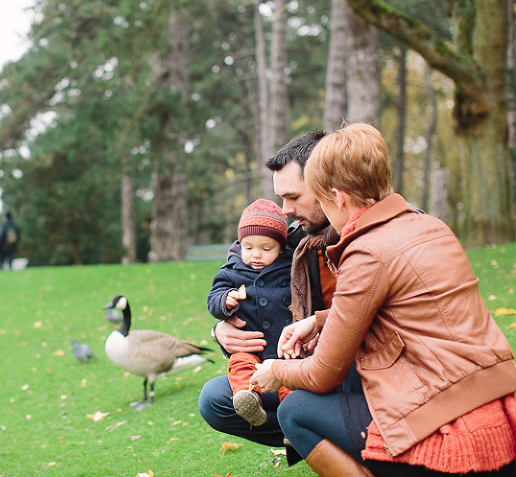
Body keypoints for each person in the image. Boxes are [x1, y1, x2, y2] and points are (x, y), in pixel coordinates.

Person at [250, 122, 516, 475]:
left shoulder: (366, 252)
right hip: (500, 406)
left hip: (449, 428)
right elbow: (413, 306)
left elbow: (322, 374)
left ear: (338, 198)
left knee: (295, 411)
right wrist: (319, 320)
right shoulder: (430, 226)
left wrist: (276, 370)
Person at [198, 129, 337, 457]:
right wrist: (222, 328)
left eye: (293, 197)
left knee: (296, 398)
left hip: (342, 366)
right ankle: (304, 434)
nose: (286, 210)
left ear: (328, 186)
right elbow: (239, 265)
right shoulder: (298, 239)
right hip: (286, 356)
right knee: (215, 398)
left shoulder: (369, 238)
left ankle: (315, 432)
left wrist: (318, 327)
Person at [206, 198, 293, 427]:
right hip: (250, 348)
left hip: (284, 350)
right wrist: (226, 301)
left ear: (280, 248)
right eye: (248, 247)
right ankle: (248, 398)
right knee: (240, 366)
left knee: (290, 383)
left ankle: (294, 419)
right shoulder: (232, 271)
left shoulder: (290, 267)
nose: (256, 255)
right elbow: (213, 298)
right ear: (239, 244)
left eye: (266, 249)